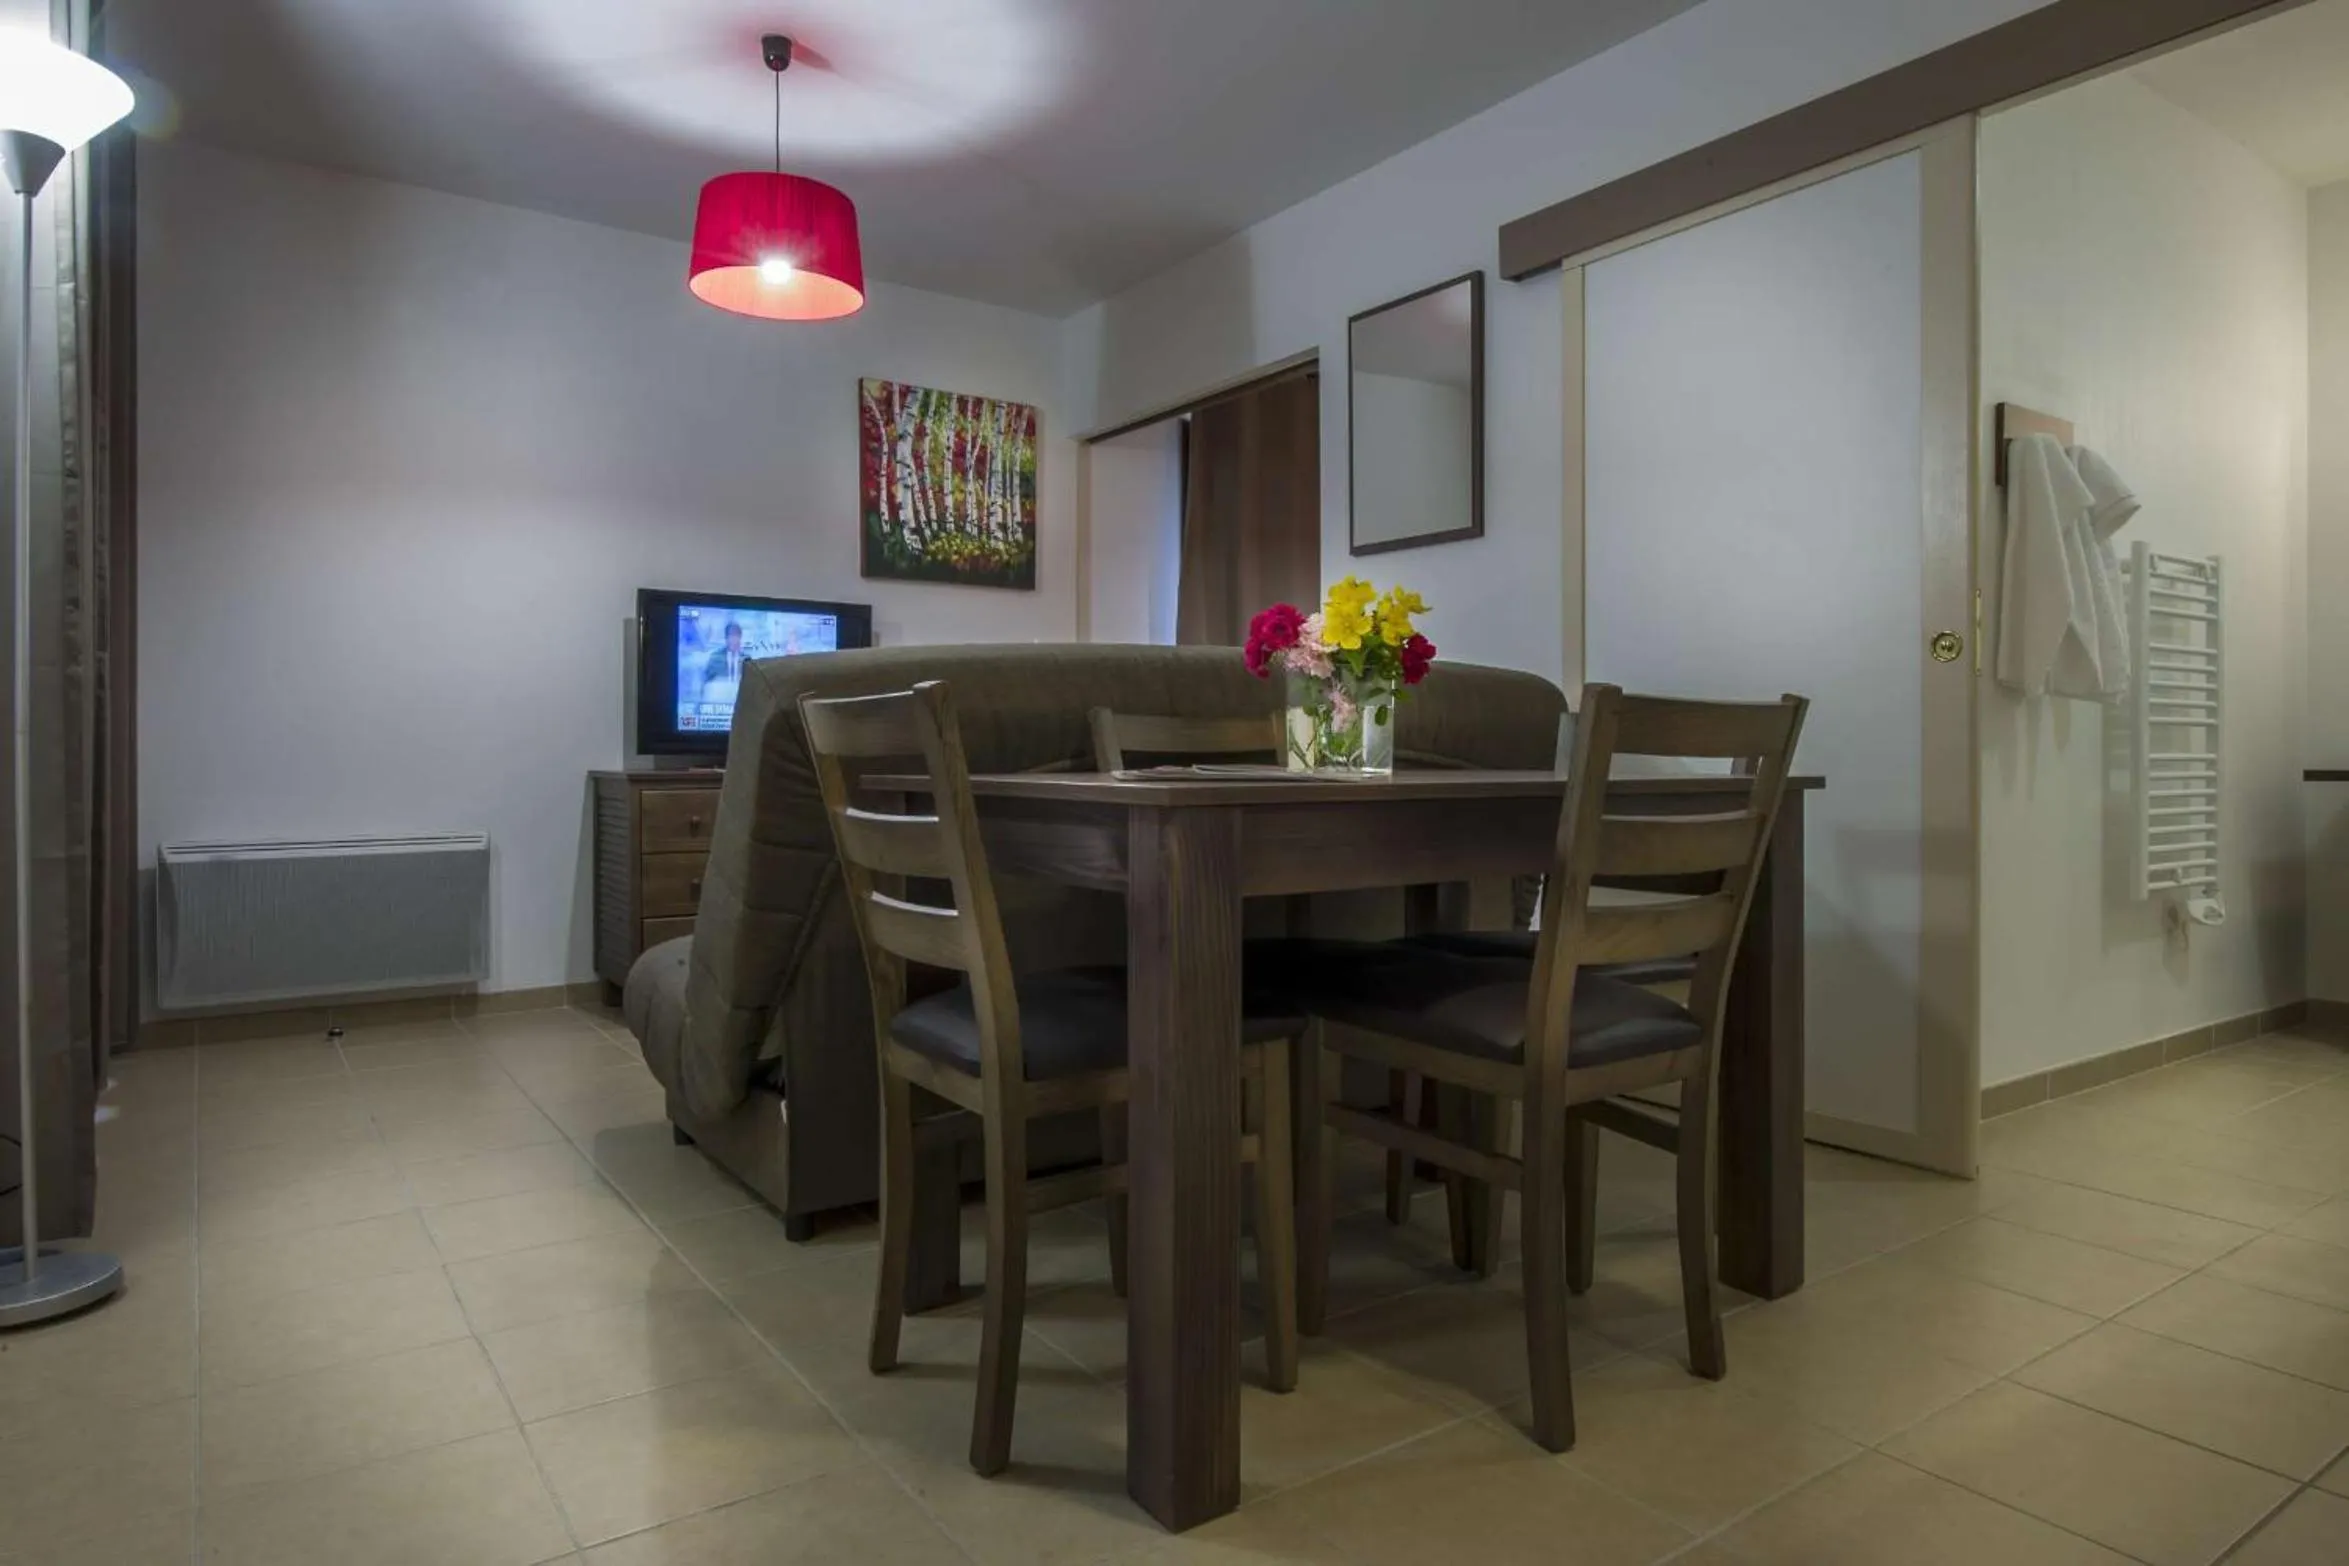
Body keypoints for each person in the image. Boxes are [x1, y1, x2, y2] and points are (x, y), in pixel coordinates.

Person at [700, 622, 746, 696]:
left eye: (737, 636)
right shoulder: (715, 658)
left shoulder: (746, 659)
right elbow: (706, 682)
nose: (735, 640)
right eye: (732, 636)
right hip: (718, 699)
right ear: (726, 638)